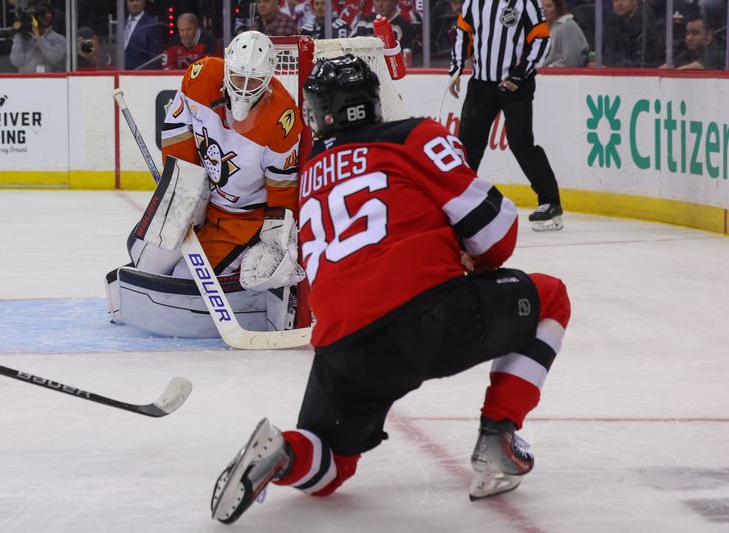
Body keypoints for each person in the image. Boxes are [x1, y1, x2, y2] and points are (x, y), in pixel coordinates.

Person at [210, 54, 571, 524]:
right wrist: (471, 263)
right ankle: (499, 439)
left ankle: (281, 454)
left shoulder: (312, 173)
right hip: (428, 318)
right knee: (551, 297)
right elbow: (496, 232)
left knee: (331, 464)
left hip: (341, 346)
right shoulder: (412, 136)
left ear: (318, 114)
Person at [105, 31, 304, 338]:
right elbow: (176, 128)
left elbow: (283, 190)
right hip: (194, 196)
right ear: (227, 69)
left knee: (186, 277)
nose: (245, 89)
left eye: (254, 82)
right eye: (238, 78)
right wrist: (188, 187)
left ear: (269, 77)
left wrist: (274, 242)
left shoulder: (283, 119)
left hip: (242, 219)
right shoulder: (201, 75)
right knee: (147, 263)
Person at [449, 0, 563, 231]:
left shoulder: (526, 2)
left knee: (521, 143)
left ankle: (550, 201)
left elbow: (541, 38)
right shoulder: (473, 2)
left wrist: (520, 74)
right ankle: (459, 203)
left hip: (515, 84)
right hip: (481, 84)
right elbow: (464, 33)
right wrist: (457, 68)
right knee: (467, 146)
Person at [602, 0, 665, 68]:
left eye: (623, 0)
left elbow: (646, 61)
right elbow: (608, 50)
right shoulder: (612, 19)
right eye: (616, 1)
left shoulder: (647, 21)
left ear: (635, 1)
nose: (619, 4)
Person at [9, 2, 66, 73]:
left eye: (49, 13)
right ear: (34, 15)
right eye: (42, 13)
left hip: (51, 81)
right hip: (25, 81)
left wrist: (40, 40)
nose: (46, 16)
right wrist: (17, 35)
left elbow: (55, 60)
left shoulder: (59, 39)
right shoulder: (24, 37)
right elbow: (16, 62)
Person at [351, 0, 416, 52]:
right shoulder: (364, 23)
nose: (379, 4)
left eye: (384, 1)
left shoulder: (404, 27)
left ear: (395, 1)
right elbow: (347, 46)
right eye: (377, 0)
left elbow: (403, 58)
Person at [542, 0, 589, 67]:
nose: (543, 10)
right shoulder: (545, 27)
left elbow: (570, 61)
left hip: (559, 75)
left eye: (549, 6)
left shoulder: (568, 26)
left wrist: (544, 70)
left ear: (558, 8)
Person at [123, 0, 165, 70]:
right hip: (121, 74)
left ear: (144, 2)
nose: (134, 3)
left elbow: (155, 58)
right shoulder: (121, 24)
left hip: (141, 75)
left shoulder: (152, 25)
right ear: (127, 3)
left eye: (138, 0)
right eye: (131, 1)